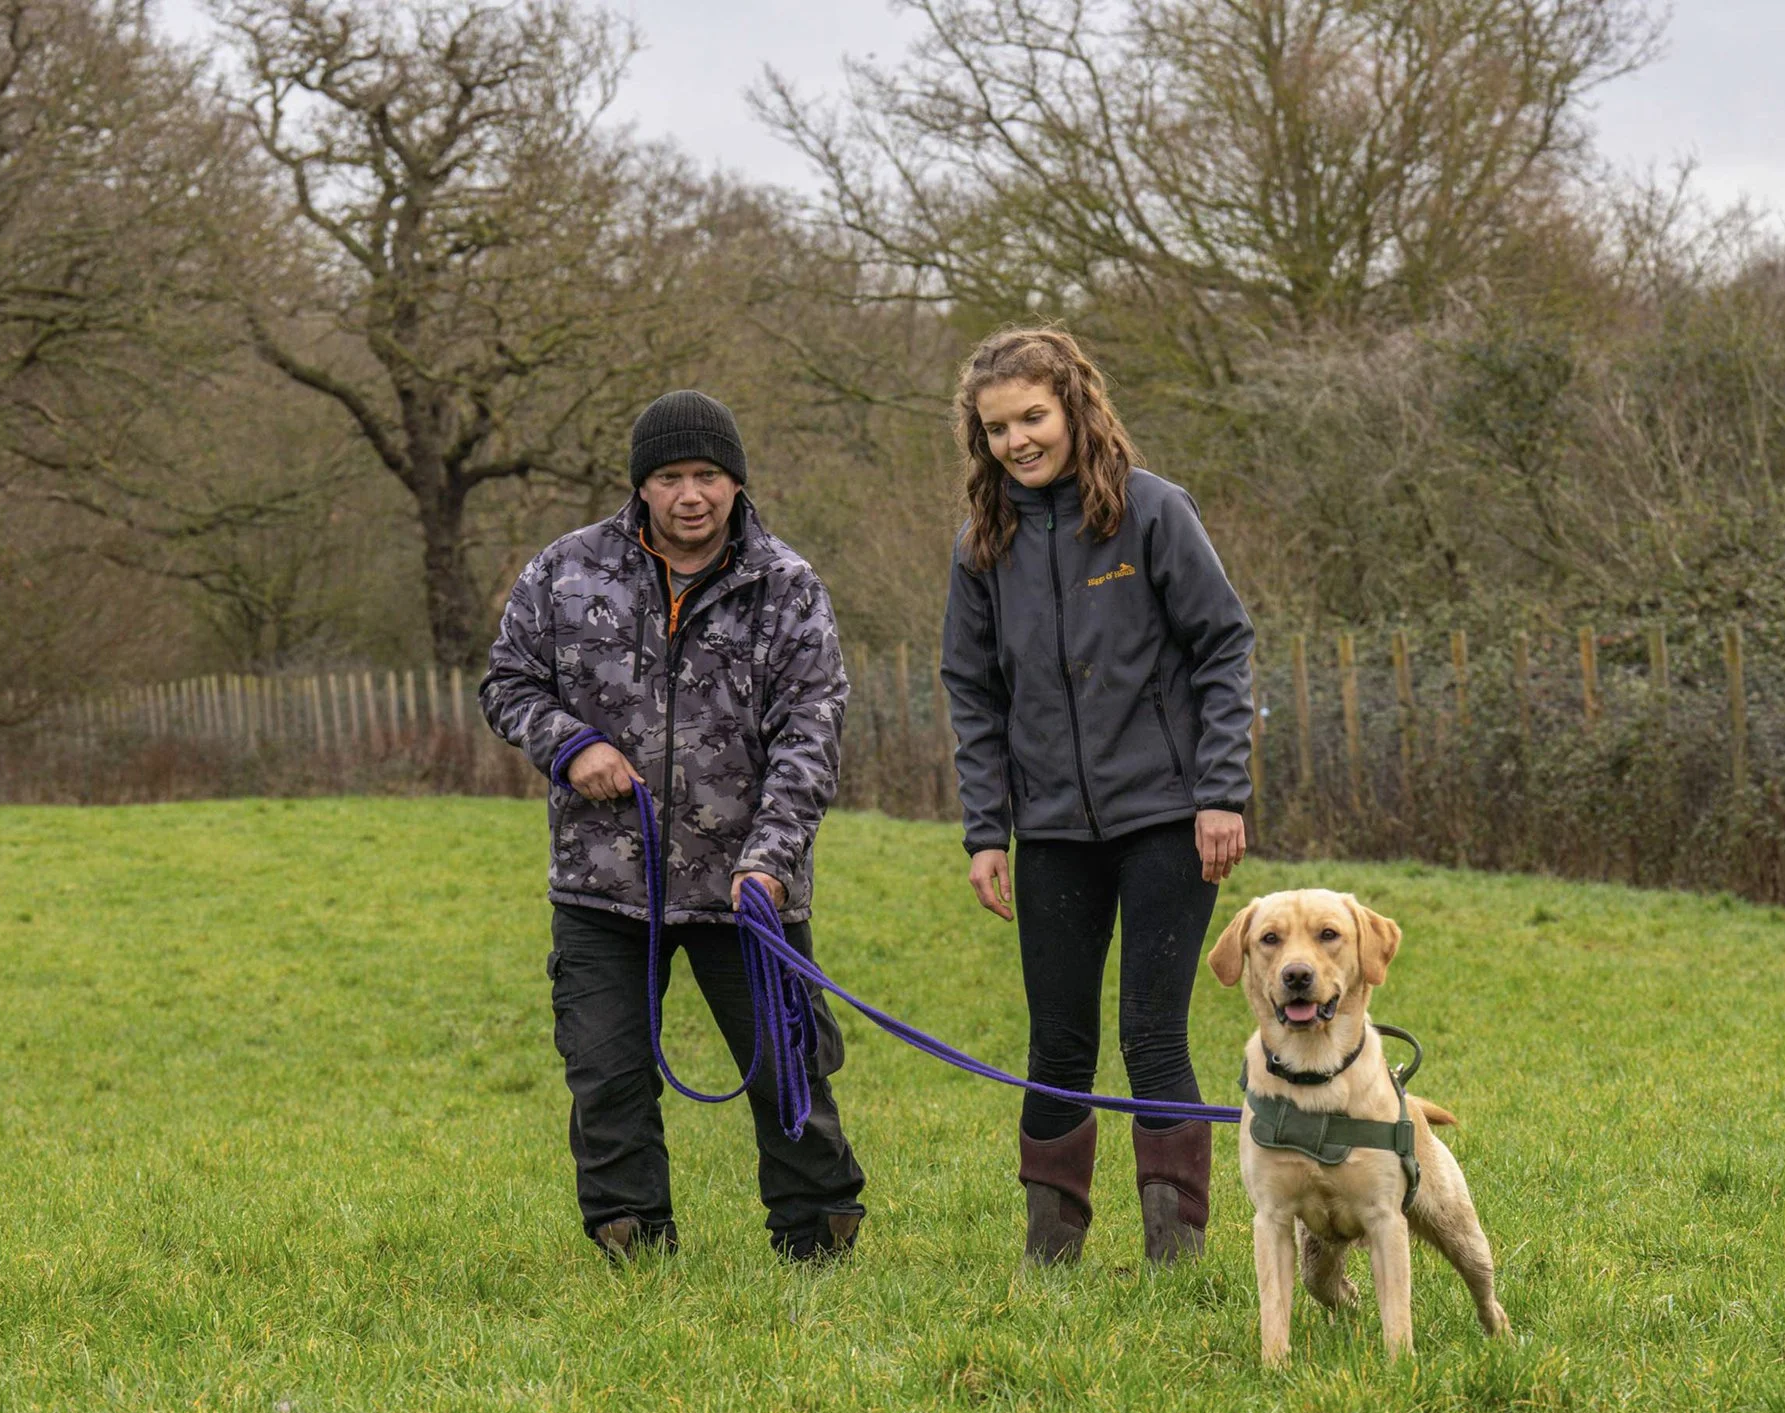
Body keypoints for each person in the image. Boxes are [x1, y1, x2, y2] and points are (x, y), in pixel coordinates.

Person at [481, 390, 866, 1264]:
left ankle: (818, 1233)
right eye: (669, 477)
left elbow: (812, 733)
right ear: (642, 487)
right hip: (603, 884)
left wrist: (769, 861)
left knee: (788, 1066)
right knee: (606, 1073)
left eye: (708, 476)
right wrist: (570, 744)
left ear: (735, 483)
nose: (690, 495)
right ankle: (631, 1241)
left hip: (749, 891)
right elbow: (506, 683)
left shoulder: (789, 588)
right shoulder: (565, 572)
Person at [939, 327, 1255, 1267]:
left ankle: (1177, 1256)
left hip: (1168, 817)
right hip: (1048, 832)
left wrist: (1221, 793)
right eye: (997, 428)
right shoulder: (979, 547)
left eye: (1033, 417)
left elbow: (1223, 649)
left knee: (1153, 1034)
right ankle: (1052, 1255)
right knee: (1058, 1043)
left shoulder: (1155, 514)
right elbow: (972, 693)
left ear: (1076, 408)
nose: (1017, 441)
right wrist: (985, 832)